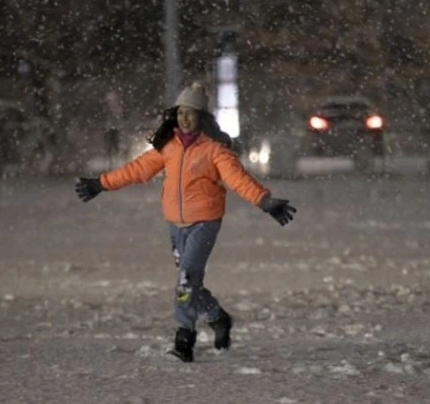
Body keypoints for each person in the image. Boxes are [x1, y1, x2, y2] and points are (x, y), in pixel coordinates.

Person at [74, 81, 297, 363]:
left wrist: (264, 201)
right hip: (175, 223)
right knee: (189, 281)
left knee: (185, 281)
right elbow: (137, 170)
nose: (184, 118)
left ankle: (184, 338)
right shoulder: (168, 147)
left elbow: (238, 180)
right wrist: (101, 183)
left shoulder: (215, 150)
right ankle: (217, 318)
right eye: (180, 113)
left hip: (204, 222)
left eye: (191, 113)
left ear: (202, 116)